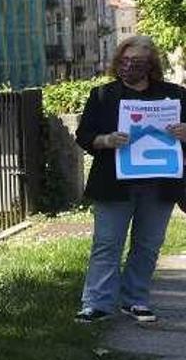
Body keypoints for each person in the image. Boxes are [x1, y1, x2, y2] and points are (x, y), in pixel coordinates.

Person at [74, 36, 186, 324]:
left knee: (148, 244)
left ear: (150, 65)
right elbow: (84, 136)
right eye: (123, 60)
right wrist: (106, 140)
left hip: (161, 183)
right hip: (113, 183)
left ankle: (135, 299)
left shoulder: (175, 96)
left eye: (136, 62)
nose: (128, 67)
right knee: (107, 243)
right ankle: (96, 303)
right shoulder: (103, 95)